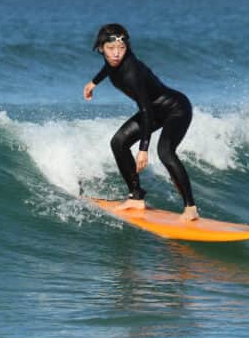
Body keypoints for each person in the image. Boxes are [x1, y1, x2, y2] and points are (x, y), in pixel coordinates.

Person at [83, 23, 199, 222]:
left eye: (121, 48)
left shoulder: (131, 73)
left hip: (176, 109)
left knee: (165, 152)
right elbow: (108, 67)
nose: (117, 54)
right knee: (118, 142)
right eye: (111, 49)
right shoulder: (113, 61)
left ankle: (191, 208)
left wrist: (143, 148)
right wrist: (93, 83)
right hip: (155, 111)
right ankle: (136, 196)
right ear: (101, 48)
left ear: (127, 47)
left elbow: (145, 110)